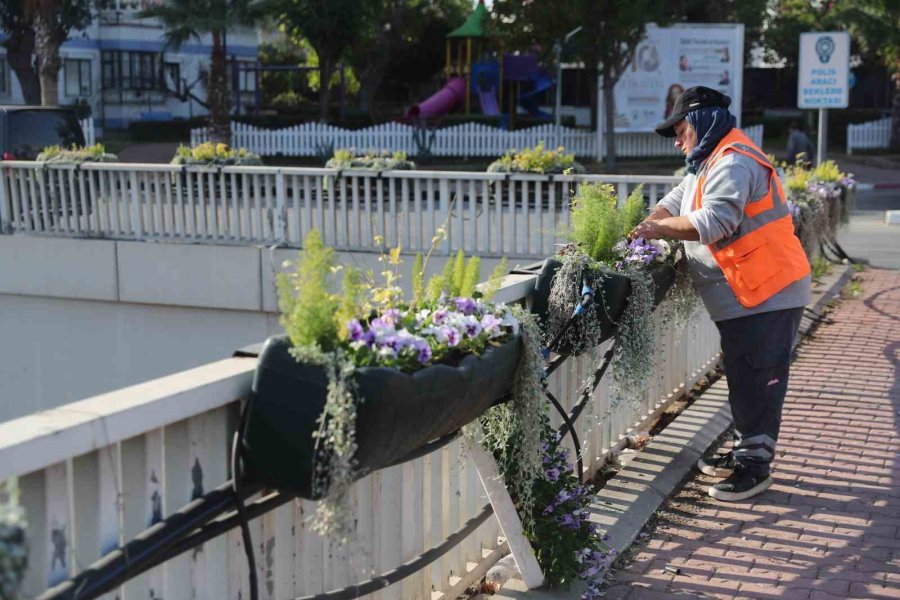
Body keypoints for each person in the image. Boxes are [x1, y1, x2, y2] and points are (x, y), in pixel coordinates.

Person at [630, 86, 812, 502]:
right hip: (752, 291)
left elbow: (716, 221)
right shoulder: (708, 160)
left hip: (768, 290)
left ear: (702, 121)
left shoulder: (732, 161)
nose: (677, 142)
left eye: (681, 131)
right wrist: (651, 222)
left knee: (759, 380)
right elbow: (675, 201)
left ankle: (755, 468)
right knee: (745, 377)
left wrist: (655, 230)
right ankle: (746, 450)